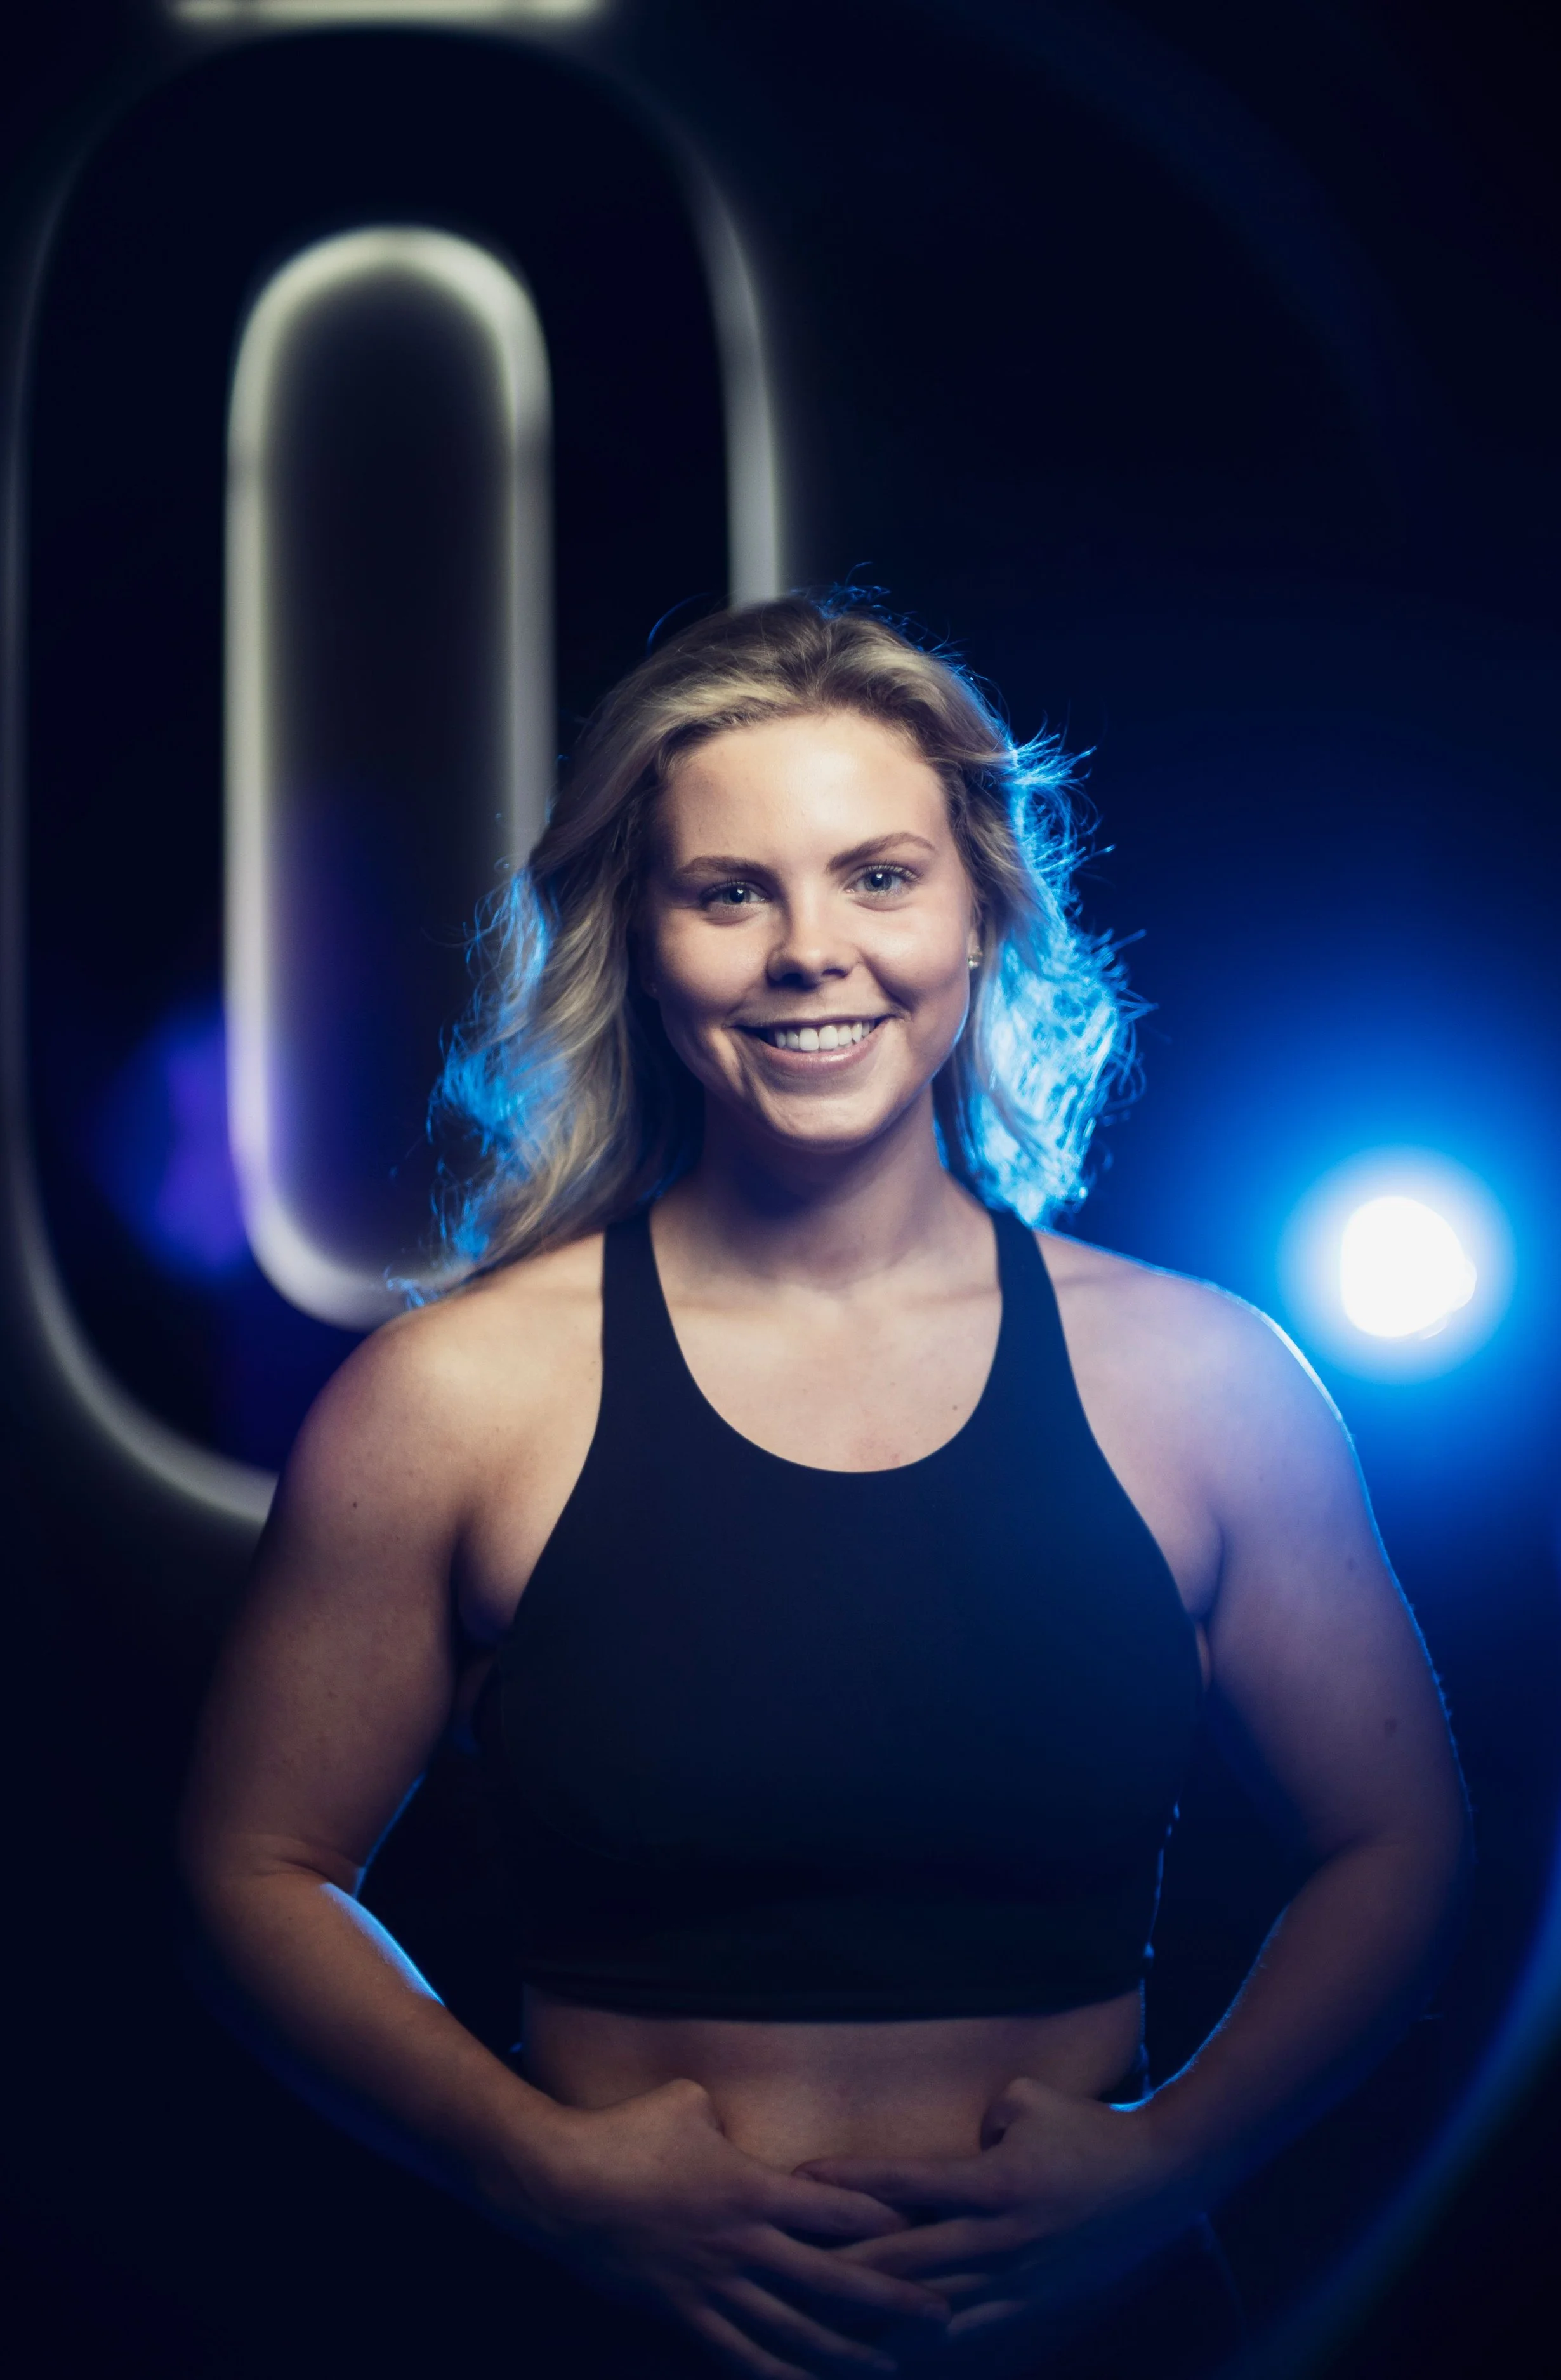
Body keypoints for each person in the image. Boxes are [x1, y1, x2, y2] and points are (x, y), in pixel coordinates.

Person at [181, 595, 1470, 2379]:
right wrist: (538, 2170)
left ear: (978, 913)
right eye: (730, 892)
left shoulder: (1210, 1384)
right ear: (640, 940)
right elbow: (254, 1864)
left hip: (1100, 2344)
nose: (811, 952)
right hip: (601, 2338)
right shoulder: (454, 1399)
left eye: (878, 877)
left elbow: (1399, 1842)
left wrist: (1174, 2158)